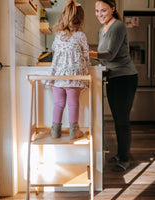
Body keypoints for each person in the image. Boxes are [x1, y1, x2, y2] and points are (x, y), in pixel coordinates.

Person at [89, 0, 138, 172]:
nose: (99, 14)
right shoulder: (102, 30)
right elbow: (104, 58)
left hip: (125, 78)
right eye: (97, 11)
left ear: (112, 9)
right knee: (117, 119)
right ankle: (120, 154)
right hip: (113, 78)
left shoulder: (118, 26)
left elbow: (109, 54)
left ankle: (124, 160)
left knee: (122, 120)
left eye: (103, 10)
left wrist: (86, 52)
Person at [50, 0, 89, 139]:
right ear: (81, 20)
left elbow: (54, 50)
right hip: (74, 76)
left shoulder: (59, 35)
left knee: (58, 103)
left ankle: (55, 130)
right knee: (73, 104)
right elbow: (86, 56)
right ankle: (74, 131)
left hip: (58, 76)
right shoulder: (81, 36)